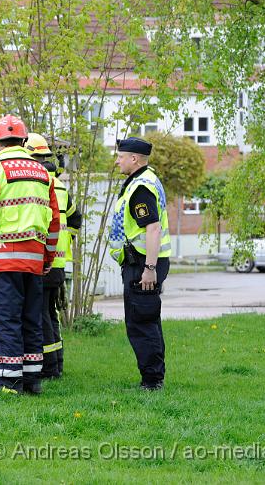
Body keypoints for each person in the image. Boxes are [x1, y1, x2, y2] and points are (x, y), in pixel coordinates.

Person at [0, 115, 60, 395]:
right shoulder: (43, 173)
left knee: (7, 319)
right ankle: (32, 381)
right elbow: (54, 221)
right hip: (33, 260)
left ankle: (9, 382)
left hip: (2, 259)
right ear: (23, 140)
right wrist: (47, 259)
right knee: (32, 318)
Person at [109, 136, 171, 391]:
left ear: (134, 159)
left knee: (141, 323)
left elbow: (153, 229)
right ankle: (153, 376)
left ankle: (152, 381)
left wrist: (149, 269)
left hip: (142, 265)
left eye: (120, 156)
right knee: (147, 320)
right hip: (141, 264)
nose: (117, 160)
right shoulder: (141, 181)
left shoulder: (141, 188)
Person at [25, 133, 82, 380]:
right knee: (50, 312)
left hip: (41, 259)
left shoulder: (35, 183)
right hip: (58, 261)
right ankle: (56, 363)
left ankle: (48, 368)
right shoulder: (59, 185)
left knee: (40, 315)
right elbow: (75, 219)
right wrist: (66, 241)